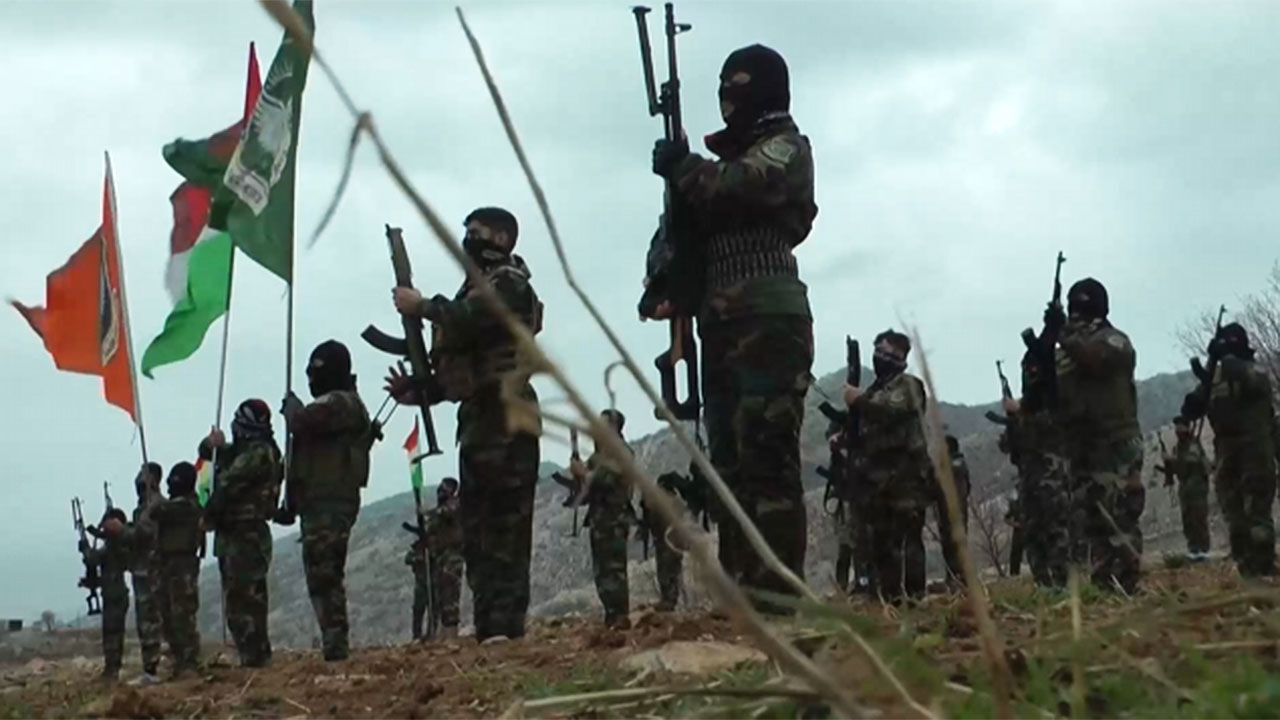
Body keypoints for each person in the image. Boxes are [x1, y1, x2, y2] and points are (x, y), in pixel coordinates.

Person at [649, 43, 817, 609]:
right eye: (722, 85)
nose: (727, 97)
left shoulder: (787, 147)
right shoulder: (719, 163)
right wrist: (665, 284)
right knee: (728, 468)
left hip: (769, 316)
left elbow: (740, 185)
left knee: (768, 462)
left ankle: (780, 600)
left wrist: (685, 166)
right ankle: (743, 594)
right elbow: (682, 233)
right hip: (717, 323)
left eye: (739, 85)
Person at [387, 207, 543, 642]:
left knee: (506, 529)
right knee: (478, 531)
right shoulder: (474, 289)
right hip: (477, 420)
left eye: (477, 232)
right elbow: (464, 369)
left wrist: (423, 306)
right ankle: (491, 626)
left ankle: (507, 627)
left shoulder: (510, 283)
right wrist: (421, 391)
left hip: (508, 417)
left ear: (502, 239)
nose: (469, 240)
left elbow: (476, 318)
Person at [279, 340, 373, 661]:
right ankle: (333, 644)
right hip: (319, 499)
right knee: (320, 575)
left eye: (316, 372)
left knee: (325, 575)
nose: (311, 379)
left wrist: (293, 409)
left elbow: (303, 422)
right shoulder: (337, 404)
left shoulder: (343, 403)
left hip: (332, 501)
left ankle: (336, 646)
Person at [1050, 278, 1143, 593]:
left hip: (1116, 444)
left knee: (1119, 518)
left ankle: (1126, 586)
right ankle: (1103, 587)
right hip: (1081, 446)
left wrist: (1064, 335)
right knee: (1089, 524)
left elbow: (1095, 359)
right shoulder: (1065, 352)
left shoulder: (1114, 341)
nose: (1077, 317)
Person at [1182, 323, 1277, 577]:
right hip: (1226, 452)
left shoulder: (1252, 369)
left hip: (1255, 449)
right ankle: (1246, 567)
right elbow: (1194, 407)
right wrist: (1197, 396)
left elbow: (1254, 382)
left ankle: (1264, 566)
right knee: (1234, 514)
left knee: (1256, 512)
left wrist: (1224, 358)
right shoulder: (1216, 378)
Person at [843, 330, 930, 603]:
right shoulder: (875, 389)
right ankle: (886, 596)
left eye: (890, 353)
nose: (882, 357)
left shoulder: (908, 385)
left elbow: (890, 410)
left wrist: (858, 399)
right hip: (877, 479)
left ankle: (915, 596)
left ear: (902, 358)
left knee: (908, 539)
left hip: (907, 477)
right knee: (881, 541)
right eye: (879, 351)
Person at [201, 399, 283, 667]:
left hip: (245, 533)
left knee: (243, 600)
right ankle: (255, 656)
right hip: (238, 532)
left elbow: (228, 484)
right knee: (244, 598)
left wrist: (208, 516)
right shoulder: (249, 450)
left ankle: (254, 658)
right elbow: (208, 452)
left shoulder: (258, 453)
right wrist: (212, 443)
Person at [1001, 350, 1070, 588]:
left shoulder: (1052, 401)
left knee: (1055, 530)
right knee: (1032, 533)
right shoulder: (1027, 406)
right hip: (1029, 479)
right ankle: (1043, 584)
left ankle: (1062, 582)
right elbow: (1009, 446)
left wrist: (1019, 412)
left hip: (1052, 478)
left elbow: (1049, 428)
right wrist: (1012, 423)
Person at [570, 409, 635, 629]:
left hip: (614, 519)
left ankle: (620, 617)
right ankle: (611, 616)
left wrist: (584, 474)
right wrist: (578, 475)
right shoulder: (598, 457)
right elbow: (586, 492)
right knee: (602, 571)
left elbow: (606, 480)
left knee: (614, 569)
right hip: (600, 520)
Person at [155, 462, 204, 678]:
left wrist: (153, 495)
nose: (168, 485)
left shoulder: (188, 505)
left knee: (183, 614)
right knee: (168, 614)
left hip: (183, 565)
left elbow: (158, 511)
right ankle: (179, 661)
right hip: (169, 564)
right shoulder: (178, 505)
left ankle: (189, 662)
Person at [122, 463, 165, 684]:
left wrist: (121, 530)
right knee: (145, 619)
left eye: (144, 474)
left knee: (150, 619)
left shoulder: (155, 504)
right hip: (142, 567)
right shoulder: (142, 507)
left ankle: (153, 668)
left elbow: (144, 533)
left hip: (152, 568)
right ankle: (151, 666)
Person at [84, 507, 131, 682]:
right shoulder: (116, 546)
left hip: (114, 595)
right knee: (113, 634)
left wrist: (86, 550)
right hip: (115, 593)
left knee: (112, 633)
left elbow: (94, 559)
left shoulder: (114, 546)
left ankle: (112, 670)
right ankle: (112, 668)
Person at [1159, 416, 1212, 560]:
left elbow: (1192, 461)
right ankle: (1193, 548)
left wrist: (1172, 460)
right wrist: (1168, 466)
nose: (1178, 430)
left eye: (1180, 426)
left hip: (1196, 486)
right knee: (1187, 519)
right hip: (1185, 487)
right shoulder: (1178, 448)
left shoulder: (1193, 444)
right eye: (1176, 427)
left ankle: (1203, 549)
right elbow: (1178, 468)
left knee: (1198, 517)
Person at [424, 477, 464, 638]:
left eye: (444, 488)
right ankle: (440, 632)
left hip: (452, 556)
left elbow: (446, 512)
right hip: (439, 557)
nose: (441, 491)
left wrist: (427, 512)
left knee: (450, 594)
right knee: (439, 596)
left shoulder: (455, 504)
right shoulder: (438, 512)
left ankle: (452, 634)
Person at [644, 472, 687, 612]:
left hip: (666, 542)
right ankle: (673, 599)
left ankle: (668, 600)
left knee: (666, 571)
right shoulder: (677, 502)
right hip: (675, 542)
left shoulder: (664, 502)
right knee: (674, 571)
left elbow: (652, 513)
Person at [936, 435, 971, 588]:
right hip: (956, 511)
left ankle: (957, 579)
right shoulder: (960, 464)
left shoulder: (952, 465)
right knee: (953, 545)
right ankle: (955, 577)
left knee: (953, 546)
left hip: (952, 512)